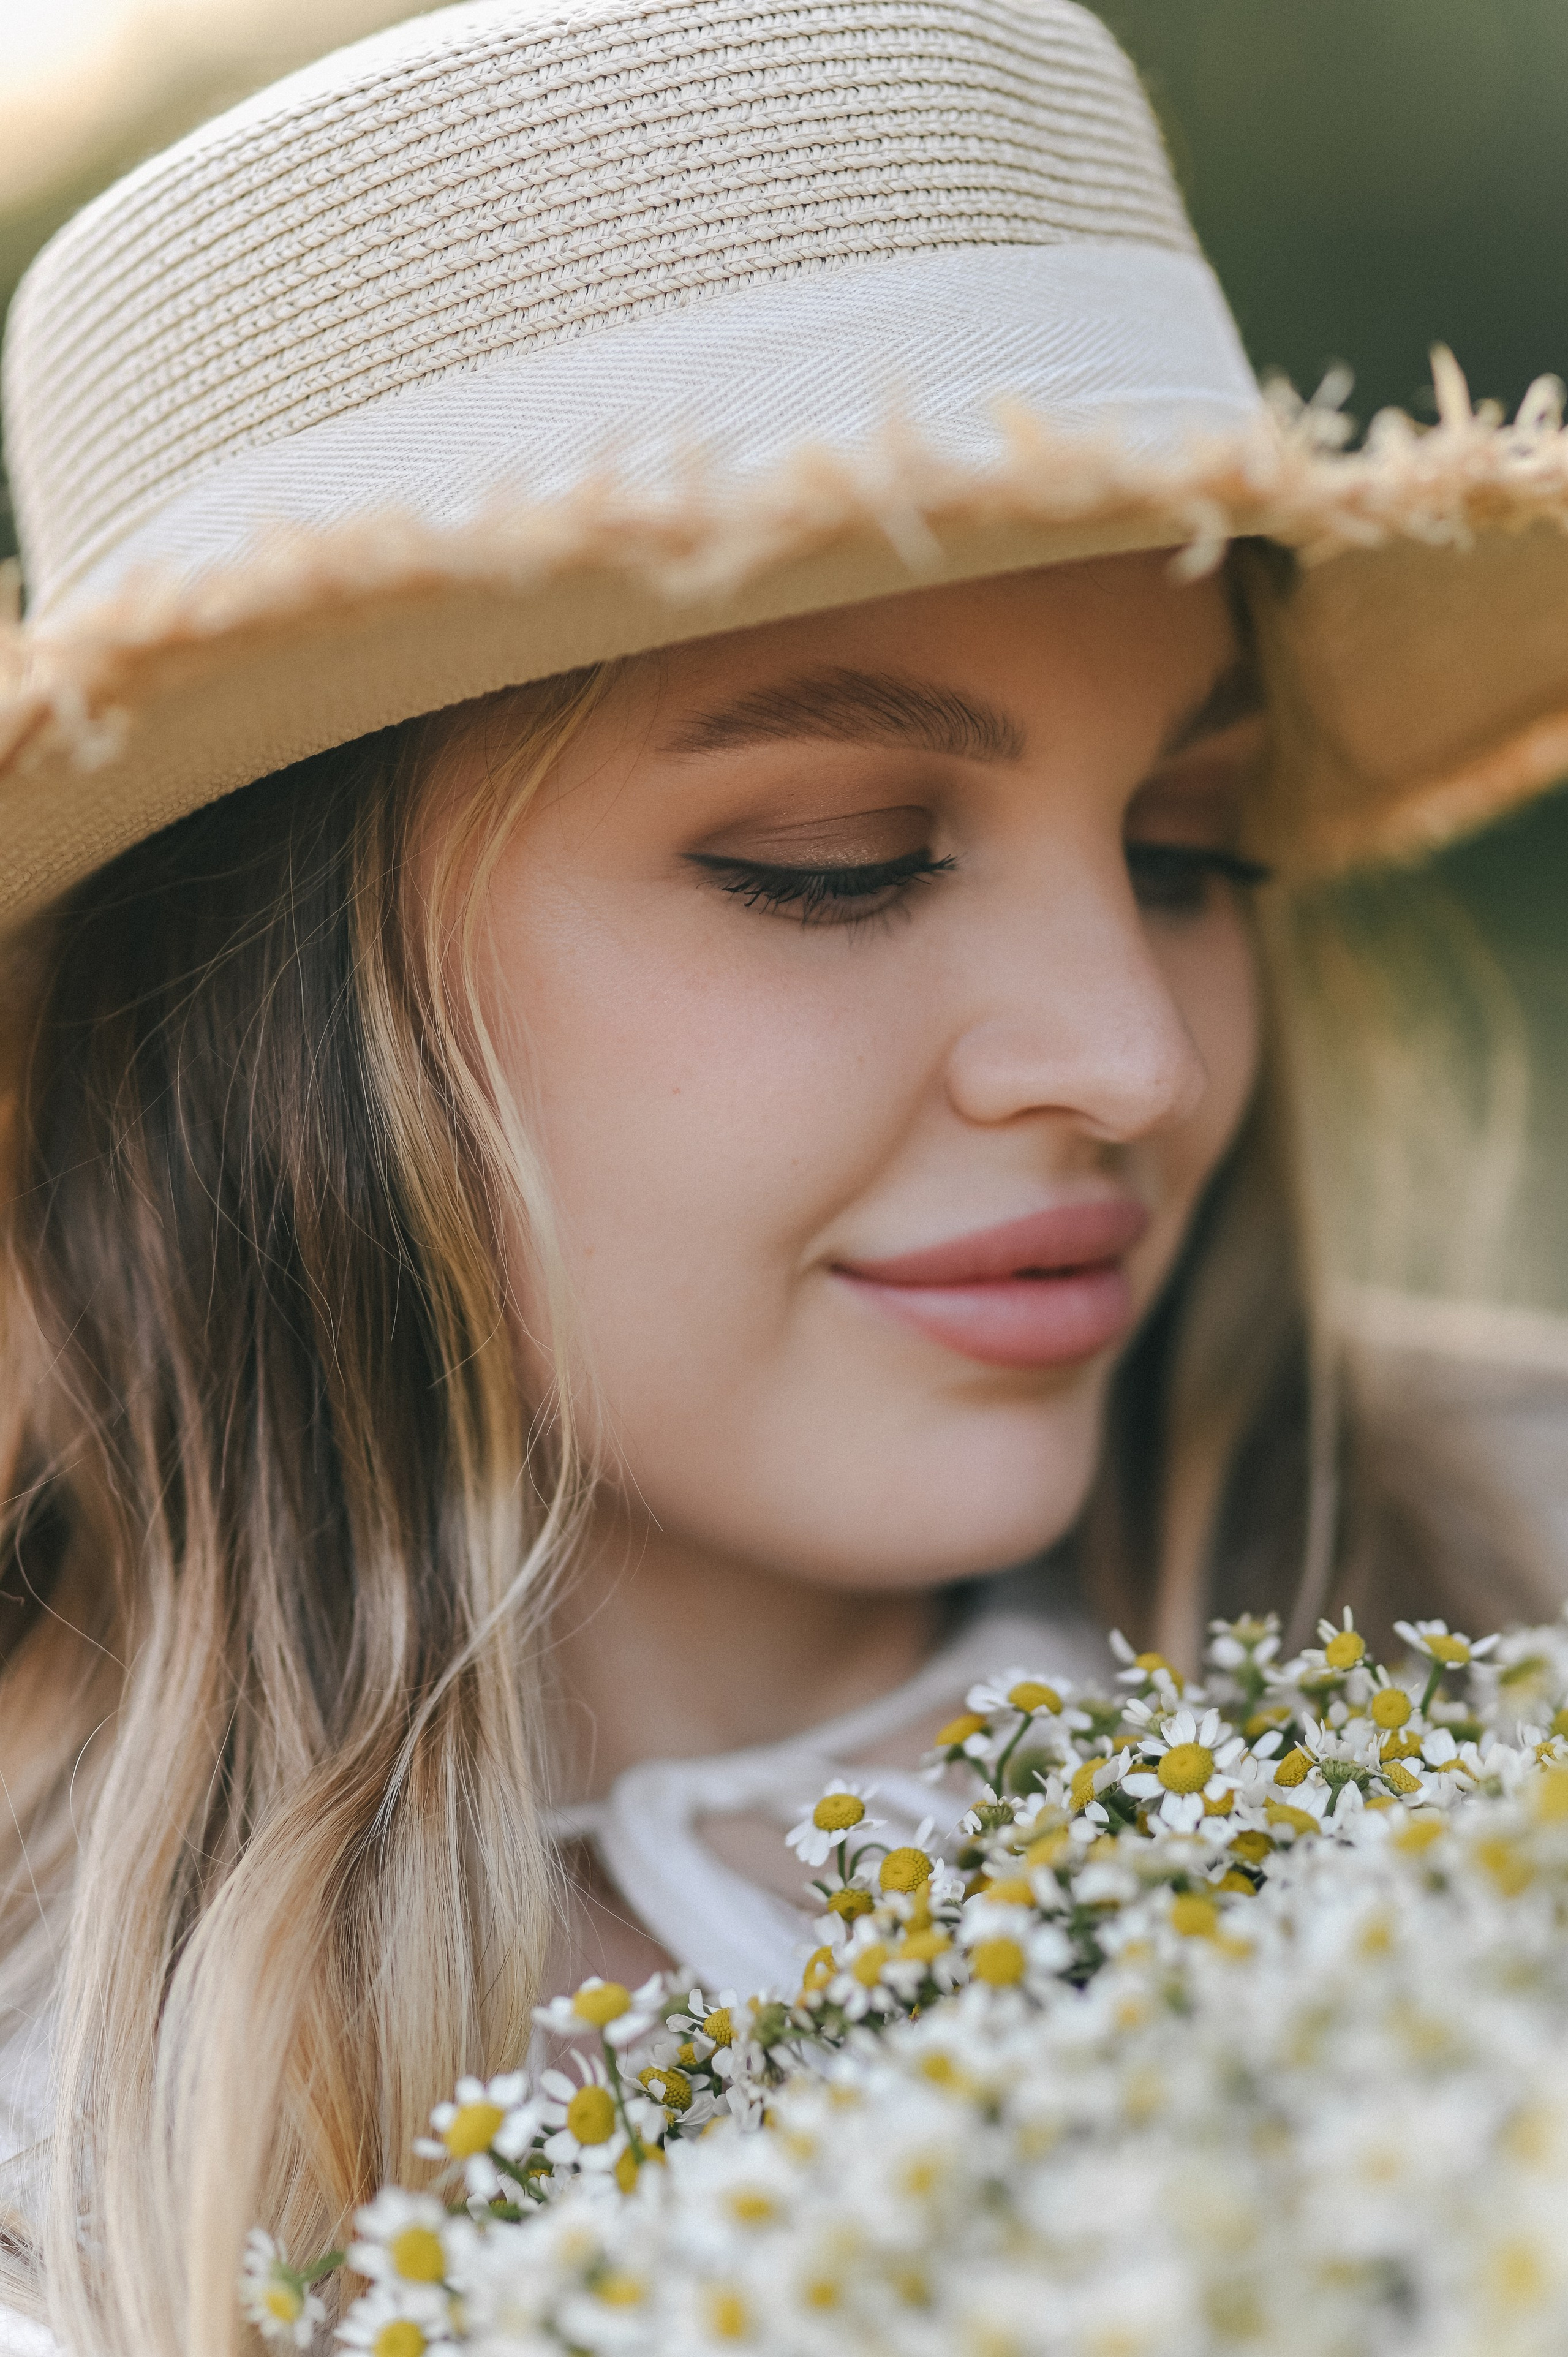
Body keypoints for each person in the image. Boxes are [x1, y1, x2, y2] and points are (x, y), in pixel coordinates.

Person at [4, 0, 1568, 2348]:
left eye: (1189, 851)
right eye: (836, 864)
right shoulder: (66, 2181)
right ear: (245, 1024)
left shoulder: (1513, 1584)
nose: (1130, 1059)